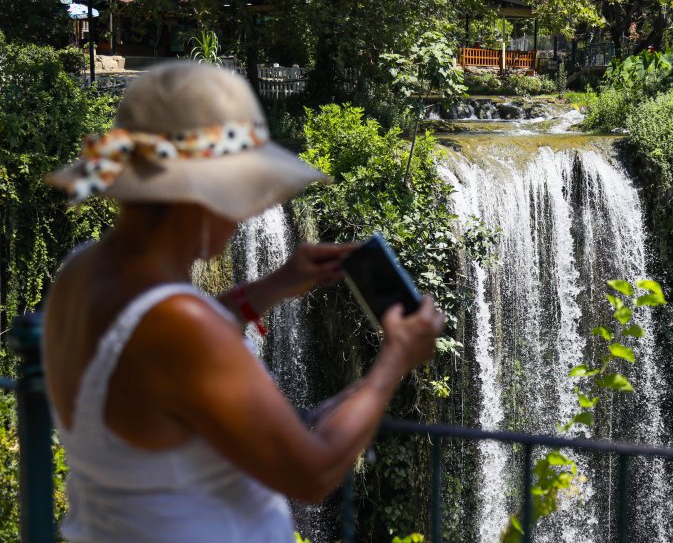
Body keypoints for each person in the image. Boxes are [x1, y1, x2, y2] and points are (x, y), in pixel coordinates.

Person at [42, 62, 444, 542]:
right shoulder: (178, 325)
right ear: (201, 195)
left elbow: (149, 348)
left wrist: (272, 285)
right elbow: (313, 474)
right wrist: (394, 361)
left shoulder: (80, 271)